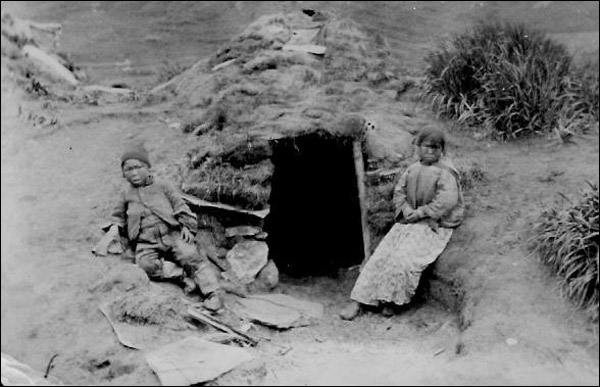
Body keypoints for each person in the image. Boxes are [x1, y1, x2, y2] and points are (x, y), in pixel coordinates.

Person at [340, 127, 464, 320]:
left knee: (404, 260)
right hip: (408, 222)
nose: (430, 151)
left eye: (435, 148)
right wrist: (406, 210)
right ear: (418, 147)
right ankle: (359, 300)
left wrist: (422, 212)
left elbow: (447, 200)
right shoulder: (413, 169)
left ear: (442, 150)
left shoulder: (446, 172)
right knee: (381, 256)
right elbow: (399, 192)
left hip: (432, 224)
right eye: (426, 147)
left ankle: (391, 302)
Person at [102, 144, 224, 311]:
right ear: (123, 174)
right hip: (146, 241)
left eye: (138, 167)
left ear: (148, 167)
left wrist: (187, 227)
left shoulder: (163, 186)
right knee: (145, 264)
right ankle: (181, 276)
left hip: (172, 234)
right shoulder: (125, 195)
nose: (134, 173)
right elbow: (118, 216)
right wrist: (115, 228)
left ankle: (213, 293)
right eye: (129, 169)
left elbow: (180, 205)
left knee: (191, 255)